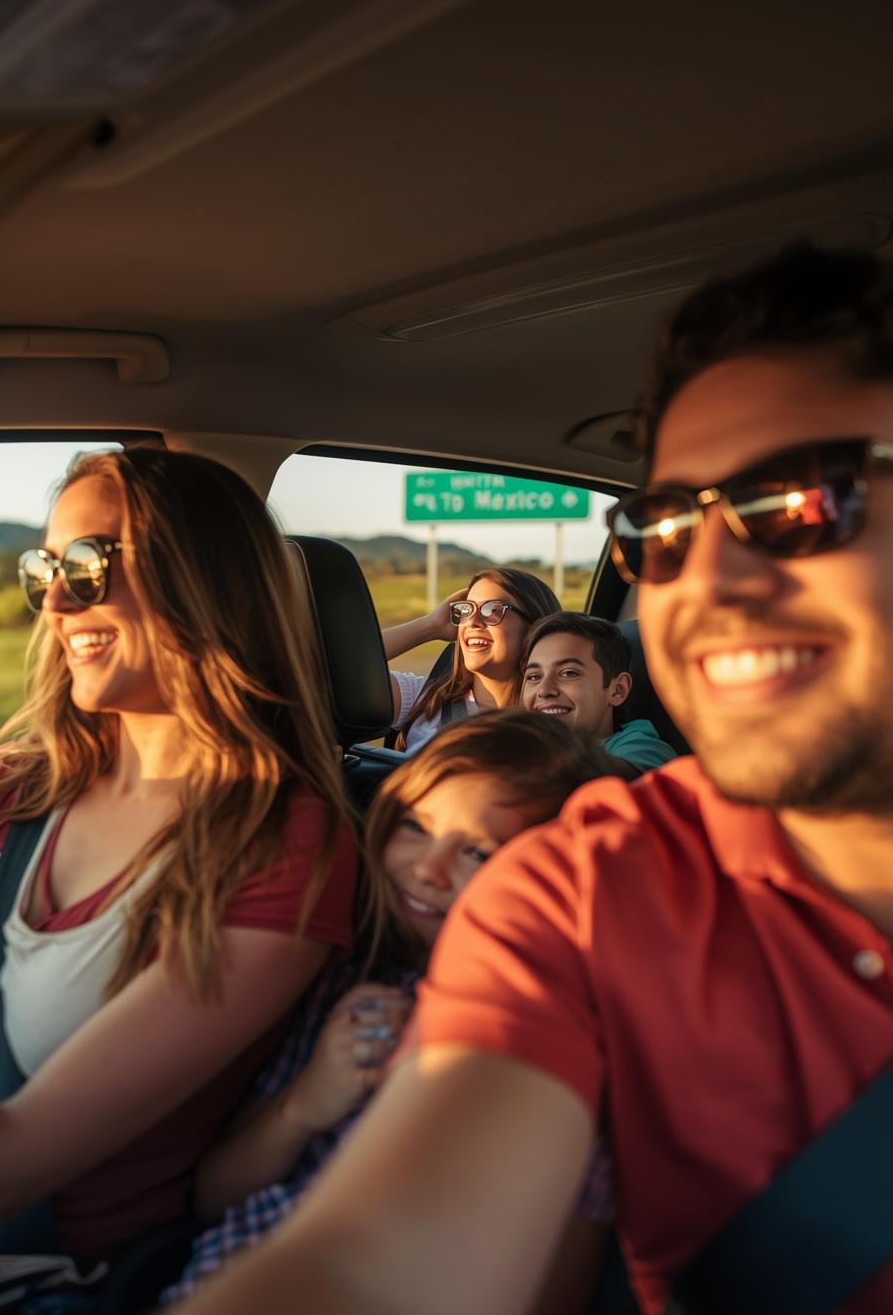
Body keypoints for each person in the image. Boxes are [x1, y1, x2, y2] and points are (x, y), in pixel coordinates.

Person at [175, 241, 893, 1315]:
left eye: (795, 502)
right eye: (662, 528)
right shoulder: (583, 888)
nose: (705, 580)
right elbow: (380, 1262)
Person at [0, 447, 358, 1312]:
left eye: (88, 565)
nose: (54, 602)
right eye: (43, 569)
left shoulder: (281, 847)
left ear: (204, 579)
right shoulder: (39, 772)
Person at [161, 711, 619, 1309]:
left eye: (477, 853)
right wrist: (303, 1106)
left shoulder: (556, 1066)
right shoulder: (354, 990)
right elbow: (214, 1197)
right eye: (414, 826)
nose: (428, 869)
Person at [381, 568, 561, 752]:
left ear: (534, 628)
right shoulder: (424, 699)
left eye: (491, 609)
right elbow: (359, 667)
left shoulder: (553, 716)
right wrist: (431, 626)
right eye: (466, 610)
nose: (471, 621)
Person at [518, 612, 677, 772]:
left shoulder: (641, 752)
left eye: (569, 673)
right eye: (534, 677)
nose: (544, 690)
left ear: (617, 690)